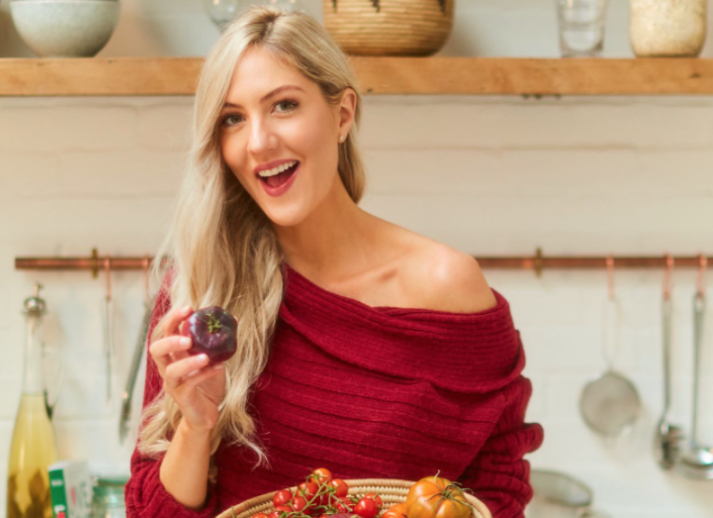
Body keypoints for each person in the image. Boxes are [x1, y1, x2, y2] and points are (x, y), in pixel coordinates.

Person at [124, 5, 544, 518]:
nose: (258, 142)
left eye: (283, 106)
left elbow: (497, 488)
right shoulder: (202, 290)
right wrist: (195, 425)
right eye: (233, 118)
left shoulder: (447, 286)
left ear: (343, 115)